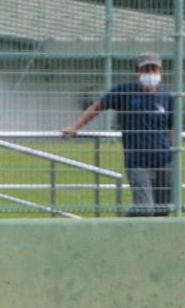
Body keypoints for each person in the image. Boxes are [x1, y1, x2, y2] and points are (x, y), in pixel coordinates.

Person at [62, 53, 177, 216]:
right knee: (145, 209)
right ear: (137, 70)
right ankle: (120, 225)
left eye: (154, 69)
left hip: (164, 160)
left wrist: (174, 152)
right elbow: (97, 107)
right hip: (138, 162)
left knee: (163, 210)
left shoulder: (167, 96)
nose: (150, 73)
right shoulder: (124, 91)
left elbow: (172, 127)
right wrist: (75, 127)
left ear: (160, 71)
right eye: (146, 69)